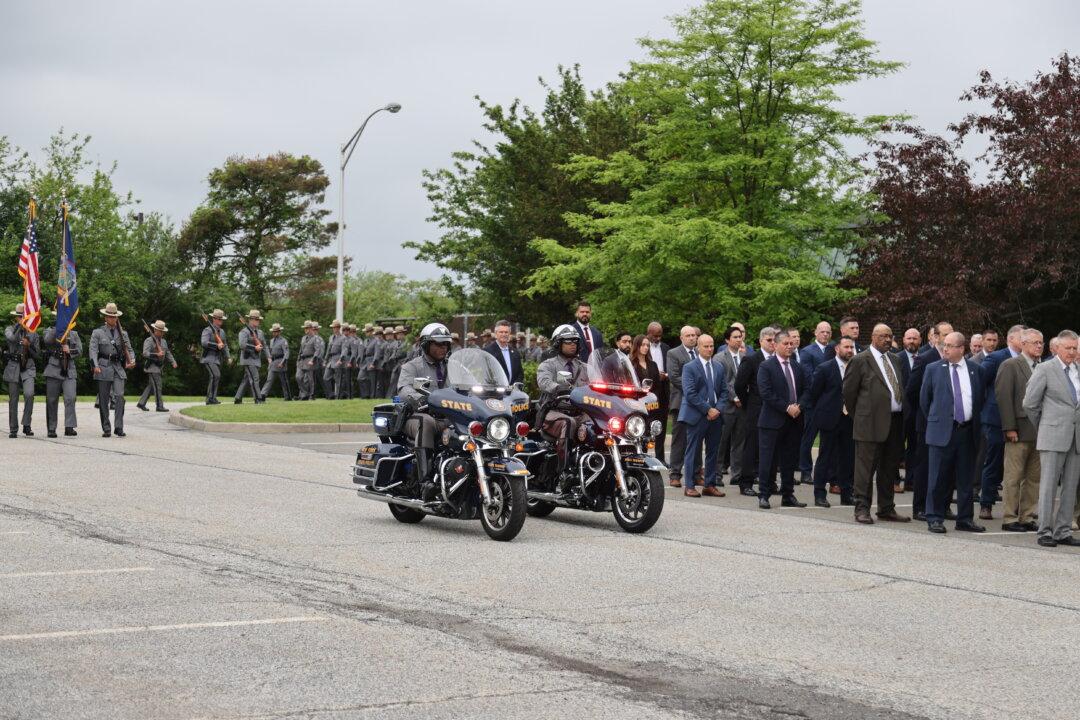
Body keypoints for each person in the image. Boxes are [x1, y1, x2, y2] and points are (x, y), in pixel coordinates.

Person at [843, 323, 910, 524]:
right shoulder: (860, 360)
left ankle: (886, 508)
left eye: (890, 336)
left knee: (889, 469)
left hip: (894, 422)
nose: (888, 340)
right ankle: (861, 508)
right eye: (883, 336)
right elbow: (848, 393)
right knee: (865, 470)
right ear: (873, 337)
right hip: (869, 423)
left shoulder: (895, 359)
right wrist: (861, 416)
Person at [921, 332, 987, 533]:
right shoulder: (933, 369)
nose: (945, 349)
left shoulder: (976, 370)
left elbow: (979, 399)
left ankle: (965, 519)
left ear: (961, 348)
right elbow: (925, 400)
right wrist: (939, 420)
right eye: (944, 345)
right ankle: (935, 517)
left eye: (950, 345)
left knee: (966, 479)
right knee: (938, 477)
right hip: (942, 431)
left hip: (967, 432)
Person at [1022, 330, 1080, 547]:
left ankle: (1063, 530)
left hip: (1076, 437)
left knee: (1071, 486)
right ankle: (1044, 530)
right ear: (1057, 348)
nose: (1072, 352)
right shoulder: (1046, 369)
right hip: (1053, 435)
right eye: (1068, 348)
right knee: (1048, 485)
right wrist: (1045, 425)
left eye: (1075, 348)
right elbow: (1029, 403)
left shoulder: (1078, 370)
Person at [397, 323, 455, 493]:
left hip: (447, 416)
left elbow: (466, 385)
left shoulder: (453, 367)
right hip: (417, 415)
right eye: (438, 344)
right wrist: (420, 399)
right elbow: (403, 389)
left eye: (445, 344)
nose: (442, 348)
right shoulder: (412, 366)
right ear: (426, 345)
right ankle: (425, 481)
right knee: (427, 422)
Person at [975, 324, 1024, 519]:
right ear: (1011, 339)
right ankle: (986, 503)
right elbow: (980, 382)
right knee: (993, 462)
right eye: (1023, 338)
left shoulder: (1027, 360)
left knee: (1016, 465)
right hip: (995, 419)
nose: (1026, 341)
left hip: (1020, 419)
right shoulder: (996, 358)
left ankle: (1016, 506)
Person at [905, 321, 953, 520]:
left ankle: (943, 505)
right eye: (944, 334)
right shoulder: (925, 359)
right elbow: (913, 391)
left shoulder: (957, 360)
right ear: (934, 337)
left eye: (952, 334)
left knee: (948, 467)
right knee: (925, 466)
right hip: (927, 423)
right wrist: (929, 413)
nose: (948, 338)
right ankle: (920, 507)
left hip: (951, 424)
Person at [996, 328, 1042, 531]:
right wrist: (1009, 427)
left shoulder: (1044, 366)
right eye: (1035, 343)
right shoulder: (1010, 365)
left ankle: (1028, 516)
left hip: (1040, 431)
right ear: (1023, 344)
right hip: (1019, 429)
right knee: (1013, 476)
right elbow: (1003, 397)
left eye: (1041, 343)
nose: (1039, 346)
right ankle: (1009, 517)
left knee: (1033, 478)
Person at [756, 329, 807, 509]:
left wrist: (799, 406)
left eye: (791, 343)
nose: (789, 346)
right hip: (772, 421)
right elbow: (766, 393)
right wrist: (787, 407)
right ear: (775, 345)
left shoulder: (797, 367)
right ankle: (764, 494)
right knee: (767, 460)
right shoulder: (766, 367)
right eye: (785, 343)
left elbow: (807, 390)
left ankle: (788, 494)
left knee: (789, 460)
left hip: (794, 421)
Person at [803, 336, 855, 507]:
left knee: (847, 458)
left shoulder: (856, 368)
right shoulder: (825, 368)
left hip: (849, 419)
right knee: (825, 457)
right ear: (837, 349)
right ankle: (819, 494)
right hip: (829, 419)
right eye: (846, 347)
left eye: (851, 347)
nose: (849, 350)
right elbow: (814, 393)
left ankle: (846, 493)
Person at [536, 325, 590, 485]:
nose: (572, 344)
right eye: (568, 341)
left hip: (580, 411)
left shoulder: (585, 367)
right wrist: (558, 387)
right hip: (554, 411)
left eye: (575, 341)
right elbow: (544, 382)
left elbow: (597, 384)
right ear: (558, 343)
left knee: (599, 425)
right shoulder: (548, 365)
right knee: (568, 423)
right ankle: (564, 472)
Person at [677, 333, 728, 497]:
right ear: (698, 347)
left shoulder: (719, 367)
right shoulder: (690, 367)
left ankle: (709, 484)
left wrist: (717, 409)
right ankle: (690, 485)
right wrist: (708, 409)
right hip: (697, 415)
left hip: (716, 416)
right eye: (706, 346)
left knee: (713, 451)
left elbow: (724, 392)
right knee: (692, 450)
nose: (709, 349)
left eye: (712, 345)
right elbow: (690, 393)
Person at [734, 327, 778, 496]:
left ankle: (770, 482)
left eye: (775, 340)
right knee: (752, 447)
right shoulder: (752, 360)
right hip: (755, 409)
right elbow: (739, 385)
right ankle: (746, 483)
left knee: (773, 448)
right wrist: (748, 403)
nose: (772, 343)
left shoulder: (779, 360)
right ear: (761, 342)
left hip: (775, 410)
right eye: (769, 340)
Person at [88, 302, 135, 437]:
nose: (112, 319)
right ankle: (106, 427)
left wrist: (132, 360)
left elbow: (129, 350)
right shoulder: (98, 332)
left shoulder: (123, 333)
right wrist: (95, 365)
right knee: (103, 400)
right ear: (105, 317)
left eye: (114, 316)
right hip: (103, 367)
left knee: (119, 396)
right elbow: (93, 350)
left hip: (118, 368)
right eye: (109, 316)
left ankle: (119, 427)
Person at [798, 321, 833, 483]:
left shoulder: (834, 349)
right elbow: (808, 376)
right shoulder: (807, 352)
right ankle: (805, 470)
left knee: (828, 440)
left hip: (829, 402)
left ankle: (825, 471)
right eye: (822, 331)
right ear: (815, 333)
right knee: (808, 438)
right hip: (813, 402)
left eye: (828, 332)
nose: (825, 334)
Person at [666, 326, 700, 488]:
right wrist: (694, 390)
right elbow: (674, 377)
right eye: (688, 335)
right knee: (679, 440)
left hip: (700, 404)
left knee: (698, 440)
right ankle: (675, 474)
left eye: (694, 335)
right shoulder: (673, 353)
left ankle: (696, 473)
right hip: (681, 402)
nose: (692, 338)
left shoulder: (701, 353)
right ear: (681, 338)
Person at [4, 303, 41, 438]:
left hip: (28, 366)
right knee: (13, 399)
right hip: (13, 366)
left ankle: (27, 424)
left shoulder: (33, 333)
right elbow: (12, 339)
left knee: (29, 394)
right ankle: (13, 429)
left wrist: (29, 344)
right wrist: (20, 327)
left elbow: (37, 354)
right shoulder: (9, 329)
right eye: (20, 317)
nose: (22, 318)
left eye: (24, 316)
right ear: (16, 318)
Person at [716, 326, 746, 485]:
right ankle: (716, 475)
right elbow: (722, 382)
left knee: (739, 442)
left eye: (740, 336)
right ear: (727, 340)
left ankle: (737, 475)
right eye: (735, 337)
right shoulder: (720, 358)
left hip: (742, 407)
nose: (739, 339)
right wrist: (734, 397)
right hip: (727, 406)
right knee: (721, 442)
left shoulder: (744, 356)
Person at [42, 322, 81, 438]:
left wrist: (70, 351)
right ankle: (51, 428)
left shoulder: (74, 334)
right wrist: (58, 328)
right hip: (53, 369)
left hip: (69, 370)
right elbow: (47, 341)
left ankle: (69, 426)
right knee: (52, 400)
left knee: (70, 397)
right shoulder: (49, 331)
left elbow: (80, 350)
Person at [137, 320, 176, 412]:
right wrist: (156, 354)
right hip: (152, 367)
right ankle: (159, 406)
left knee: (151, 387)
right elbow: (145, 353)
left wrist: (173, 361)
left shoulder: (164, 342)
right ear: (155, 330)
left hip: (159, 367)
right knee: (158, 386)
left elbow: (167, 353)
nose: (162, 333)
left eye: (163, 331)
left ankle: (141, 403)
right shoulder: (149, 340)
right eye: (160, 331)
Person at [645, 322, 670, 462]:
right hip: (649, 391)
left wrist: (665, 375)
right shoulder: (644, 347)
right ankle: (644, 456)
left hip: (663, 390)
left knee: (662, 424)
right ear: (648, 333)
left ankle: (660, 458)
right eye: (655, 336)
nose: (658, 338)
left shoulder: (666, 348)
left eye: (660, 335)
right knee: (647, 422)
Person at [234, 309, 269, 404]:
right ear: (250, 320)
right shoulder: (244, 332)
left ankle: (238, 398)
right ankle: (258, 399)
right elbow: (242, 345)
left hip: (256, 359)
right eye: (255, 319)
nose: (257, 321)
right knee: (255, 378)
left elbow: (264, 345)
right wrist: (255, 347)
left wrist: (268, 357)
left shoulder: (260, 332)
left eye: (258, 319)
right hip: (247, 359)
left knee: (246, 379)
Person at [200, 309, 231, 405]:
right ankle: (210, 398)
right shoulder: (207, 330)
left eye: (222, 320)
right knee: (215, 375)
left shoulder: (222, 332)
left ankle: (212, 398)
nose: (221, 321)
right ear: (214, 319)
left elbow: (224, 345)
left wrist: (228, 357)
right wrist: (216, 345)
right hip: (208, 358)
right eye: (220, 319)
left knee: (216, 376)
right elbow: (204, 343)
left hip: (217, 359)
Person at [484, 320, 524, 385]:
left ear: (509, 333)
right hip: (495, 392)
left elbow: (520, 373)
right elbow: (485, 373)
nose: (504, 334)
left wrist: (516, 387)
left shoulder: (515, 353)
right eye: (501, 332)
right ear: (496, 333)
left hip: (513, 393)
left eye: (506, 332)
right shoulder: (487, 351)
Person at [261, 323, 293, 401]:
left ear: (279, 332)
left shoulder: (283, 341)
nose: (274, 333)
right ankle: (263, 395)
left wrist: (282, 363)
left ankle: (288, 396)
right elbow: (270, 351)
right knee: (269, 379)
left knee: (284, 381)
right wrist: (269, 359)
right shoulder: (272, 341)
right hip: (273, 362)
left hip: (280, 361)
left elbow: (286, 353)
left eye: (276, 331)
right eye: (273, 331)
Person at [296, 321, 324, 400]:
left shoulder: (315, 338)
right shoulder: (303, 338)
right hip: (302, 360)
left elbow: (318, 350)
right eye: (305, 328)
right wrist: (298, 360)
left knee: (310, 379)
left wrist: (313, 360)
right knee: (298, 377)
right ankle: (305, 393)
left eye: (307, 328)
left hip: (310, 359)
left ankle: (311, 395)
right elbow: (301, 350)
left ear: (311, 328)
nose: (306, 330)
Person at [322, 320, 344, 399]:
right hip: (331, 360)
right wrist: (325, 360)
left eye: (335, 327)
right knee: (326, 378)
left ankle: (338, 396)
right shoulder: (331, 337)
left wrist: (341, 359)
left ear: (338, 328)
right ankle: (331, 394)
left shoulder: (343, 338)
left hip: (338, 358)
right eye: (333, 327)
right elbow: (328, 349)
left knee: (338, 380)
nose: (333, 329)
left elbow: (344, 350)